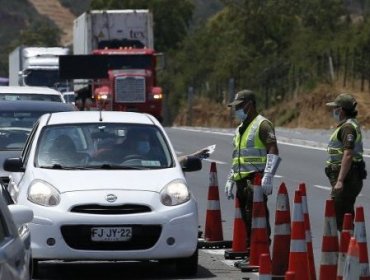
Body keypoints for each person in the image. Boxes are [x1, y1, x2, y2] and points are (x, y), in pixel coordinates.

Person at [224, 89, 281, 261]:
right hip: (242, 181)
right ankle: (252, 252)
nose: (236, 110)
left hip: (255, 180)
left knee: (258, 217)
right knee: (246, 218)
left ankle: (261, 252)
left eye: (239, 107)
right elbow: (237, 156)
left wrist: (268, 175)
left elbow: (273, 149)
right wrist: (230, 178)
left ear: (249, 105)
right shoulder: (240, 129)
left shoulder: (263, 125)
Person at [325, 93, 367, 231]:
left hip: (348, 177)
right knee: (345, 215)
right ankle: (350, 247)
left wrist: (340, 180)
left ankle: (349, 247)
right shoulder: (348, 125)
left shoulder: (347, 128)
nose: (333, 111)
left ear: (341, 110)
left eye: (335, 108)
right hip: (351, 175)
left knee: (340, 217)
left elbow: (348, 154)